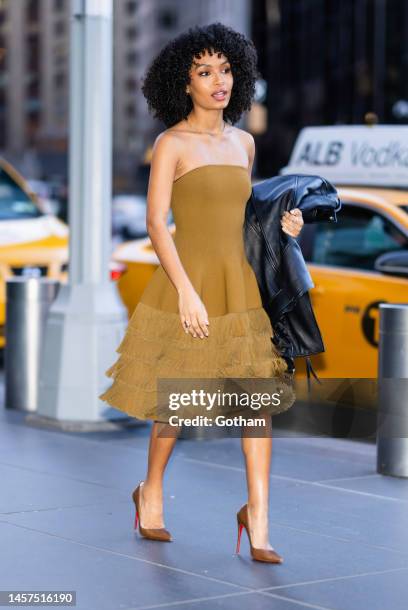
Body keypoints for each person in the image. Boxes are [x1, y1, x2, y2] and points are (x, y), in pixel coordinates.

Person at [99, 22, 304, 563]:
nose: (219, 81)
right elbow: (156, 224)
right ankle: (151, 495)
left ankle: (258, 520)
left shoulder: (244, 143)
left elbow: (241, 221)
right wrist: (186, 293)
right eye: (204, 71)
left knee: (254, 405)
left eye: (227, 69)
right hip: (186, 285)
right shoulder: (171, 143)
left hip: (238, 285)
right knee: (178, 405)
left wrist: (284, 228)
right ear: (183, 84)